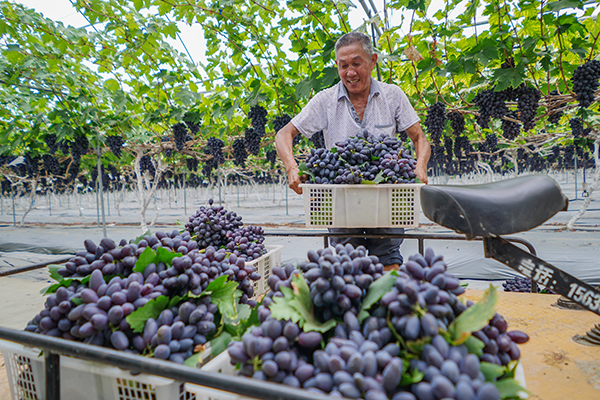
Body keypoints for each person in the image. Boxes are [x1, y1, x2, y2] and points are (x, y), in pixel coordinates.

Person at [275, 31, 431, 270]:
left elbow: (419, 138)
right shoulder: (324, 101)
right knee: (345, 261)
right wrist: (292, 168)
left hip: (385, 196)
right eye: (343, 65)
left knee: (388, 256)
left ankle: (386, 302)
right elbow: (284, 134)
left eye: (357, 63)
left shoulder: (393, 96)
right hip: (340, 199)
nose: (350, 72)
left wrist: (420, 166)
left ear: (373, 61)